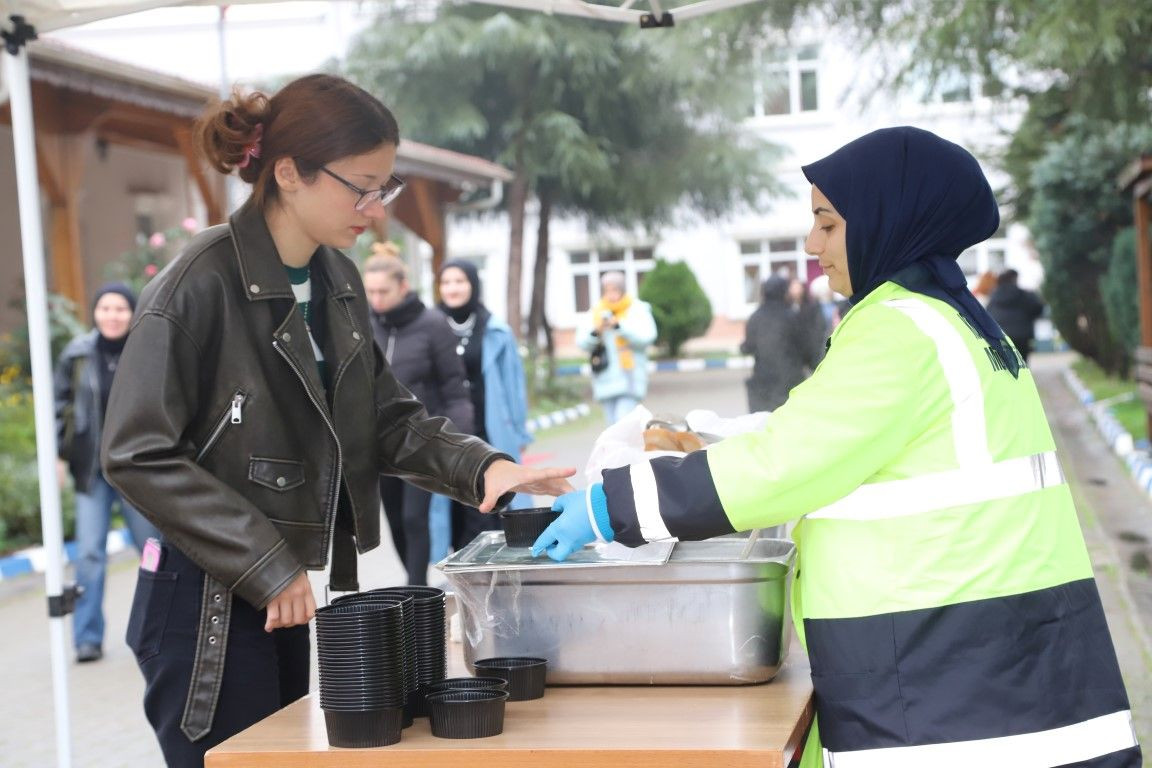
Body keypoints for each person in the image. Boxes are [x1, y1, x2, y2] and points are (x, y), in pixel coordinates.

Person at [533, 127, 1140, 768]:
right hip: (1000, 657)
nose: (811, 245)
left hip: (950, 679)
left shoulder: (898, 330)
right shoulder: (952, 318)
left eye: (826, 223)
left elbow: (785, 464)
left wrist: (608, 507)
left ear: (886, 218)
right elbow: (838, 436)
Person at [100, 74, 573, 767]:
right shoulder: (198, 282)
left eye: (386, 187)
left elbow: (384, 418)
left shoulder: (338, 280)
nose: (377, 209)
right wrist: (263, 561)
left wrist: (487, 467)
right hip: (204, 602)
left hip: (281, 589)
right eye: (362, 186)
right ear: (288, 172)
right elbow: (136, 454)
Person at [53, 282, 160, 664]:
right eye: (105, 308)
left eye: (120, 309)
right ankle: (87, 638)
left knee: (153, 552)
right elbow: (59, 407)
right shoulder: (78, 354)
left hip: (135, 472)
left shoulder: (146, 350)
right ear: (95, 313)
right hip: (91, 472)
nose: (112, 316)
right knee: (89, 555)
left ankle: (156, 631)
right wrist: (59, 457)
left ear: (132, 313)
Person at [363, 249, 474, 585]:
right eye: (371, 292)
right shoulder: (363, 324)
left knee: (414, 517)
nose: (376, 299)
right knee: (394, 519)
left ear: (403, 286)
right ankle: (414, 582)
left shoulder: (432, 324)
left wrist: (461, 442)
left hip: (421, 439)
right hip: (378, 442)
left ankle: (415, 590)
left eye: (383, 291)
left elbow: (454, 388)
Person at [431, 259, 535, 553]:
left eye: (460, 281)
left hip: (490, 429)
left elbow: (514, 385)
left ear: (473, 285)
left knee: (496, 499)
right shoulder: (429, 326)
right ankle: (465, 569)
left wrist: (519, 431)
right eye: (446, 282)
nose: (453, 288)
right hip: (447, 433)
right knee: (455, 507)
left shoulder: (495, 330)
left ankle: (500, 568)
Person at [575, 271, 657, 424]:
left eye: (615, 290)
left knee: (623, 422)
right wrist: (597, 331)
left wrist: (619, 327)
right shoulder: (596, 312)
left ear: (622, 290)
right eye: (607, 290)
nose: (611, 294)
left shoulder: (637, 309)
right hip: (605, 379)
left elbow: (648, 336)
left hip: (629, 377)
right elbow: (581, 342)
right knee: (612, 426)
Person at [741, 275, 826, 413]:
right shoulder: (792, 316)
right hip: (790, 384)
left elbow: (748, 347)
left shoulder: (755, 317)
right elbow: (806, 347)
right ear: (783, 292)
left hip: (763, 385)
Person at [987, 268, 1045, 363]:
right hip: (1022, 336)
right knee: (1022, 363)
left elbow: (987, 315)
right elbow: (1038, 308)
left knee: (1005, 365)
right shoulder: (1024, 294)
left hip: (1001, 335)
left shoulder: (993, 297)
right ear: (1014, 279)